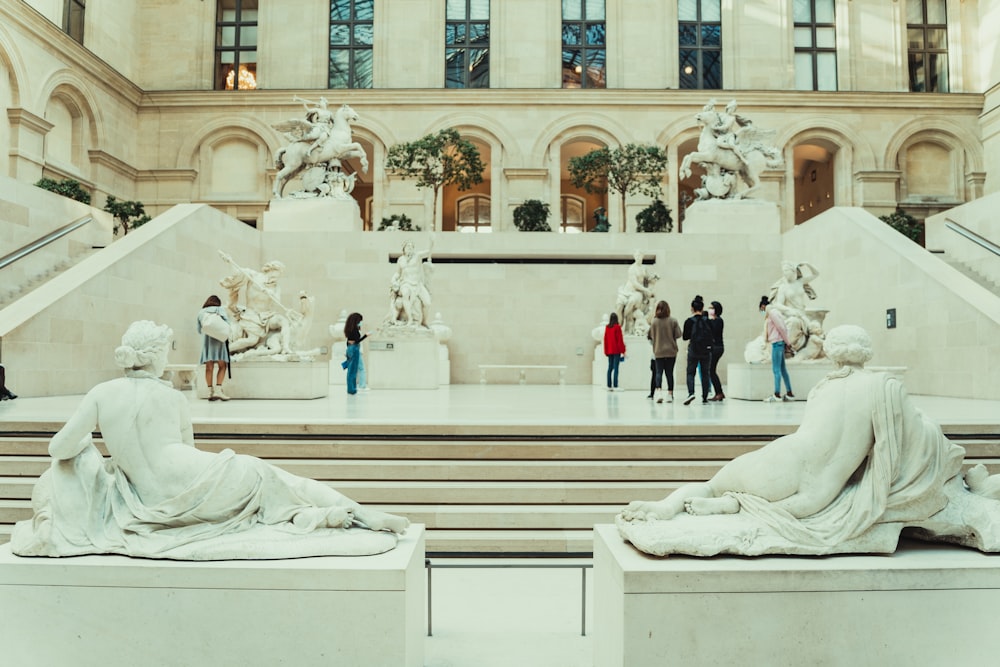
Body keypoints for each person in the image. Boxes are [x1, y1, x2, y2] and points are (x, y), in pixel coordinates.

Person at [11, 321, 408, 559]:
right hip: (202, 479)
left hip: (150, 501)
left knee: (278, 492)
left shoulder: (101, 393)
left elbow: (58, 449)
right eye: (165, 351)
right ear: (152, 357)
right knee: (284, 482)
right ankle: (356, 513)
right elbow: (189, 450)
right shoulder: (170, 397)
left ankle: (311, 515)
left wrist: (101, 459)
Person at [620, 325, 965, 552]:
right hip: (816, 485)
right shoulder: (885, 387)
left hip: (779, 458)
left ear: (831, 352)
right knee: (794, 506)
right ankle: (740, 507)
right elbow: (908, 445)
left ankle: (670, 505)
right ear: (867, 352)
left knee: (712, 485)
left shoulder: (823, 387)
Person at [218, 252, 300, 356]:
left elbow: (277, 300)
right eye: (274, 275)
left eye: (277, 277)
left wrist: (271, 293)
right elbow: (238, 274)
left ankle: (285, 348)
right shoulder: (253, 276)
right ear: (270, 270)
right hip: (252, 315)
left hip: (267, 316)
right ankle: (224, 351)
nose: (275, 278)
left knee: (283, 321)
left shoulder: (275, 286)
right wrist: (230, 262)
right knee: (252, 340)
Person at [389, 236, 434, 327]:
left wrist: (431, 242)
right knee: (405, 294)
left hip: (417, 284)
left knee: (427, 303)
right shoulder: (401, 260)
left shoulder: (417, 256)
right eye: (408, 246)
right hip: (406, 283)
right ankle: (410, 319)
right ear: (404, 248)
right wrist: (393, 280)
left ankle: (424, 321)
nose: (410, 247)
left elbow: (428, 252)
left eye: (411, 246)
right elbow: (398, 273)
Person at [197, 295, 231, 401]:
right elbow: (228, 324)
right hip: (219, 341)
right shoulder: (220, 309)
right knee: (222, 366)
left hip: (208, 342)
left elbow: (199, 329)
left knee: (209, 367)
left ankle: (209, 392)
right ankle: (218, 390)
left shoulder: (201, 312)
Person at [648, 300, 682, 404]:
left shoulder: (654, 322)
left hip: (658, 350)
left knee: (658, 372)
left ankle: (658, 393)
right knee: (669, 373)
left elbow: (650, 335)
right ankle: (670, 394)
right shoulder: (673, 321)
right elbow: (679, 334)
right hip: (671, 351)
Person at [762, 297, 794, 402]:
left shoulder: (772, 313)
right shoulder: (775, 312)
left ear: (763, 306)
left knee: (776, 370)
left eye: (761, 310)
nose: (762, 312)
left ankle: (777, 394)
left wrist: (788, 342)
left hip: (777, 343)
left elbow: (781, 327)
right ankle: (789, 393)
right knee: (783, 369)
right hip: (779, 342)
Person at [681, 296, 712, 405]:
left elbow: (684, 337)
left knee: (690, 372)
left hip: (693, 349)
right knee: (705, 373)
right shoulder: (708, 321)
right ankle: (705, 396)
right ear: (702, 308)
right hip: (706, 351)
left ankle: (691, 393)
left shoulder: (689, 321)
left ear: (692, 308)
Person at [342, 312, 367, 395]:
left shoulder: (349, 329)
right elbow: (356, 341)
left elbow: (348, 341)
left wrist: (348, 350)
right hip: (354, 349)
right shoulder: (355, 330)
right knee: (353, 370)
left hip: (350, 348)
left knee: (351, 370)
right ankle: (352, 389)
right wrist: (366, 335)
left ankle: (352, 389)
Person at [707, 300, 725, 401]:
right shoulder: (714, 320)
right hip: (716, 347)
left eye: (711, 308)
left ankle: (719, 392)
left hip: (717, 348)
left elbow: (713, 331)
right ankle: (719, 392)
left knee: (711, 370)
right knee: (711, 370)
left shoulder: (718, 320)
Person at [603, 312, 626, 392]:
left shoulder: (607, 328)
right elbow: (620, 340)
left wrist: (606, 351)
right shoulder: (617, 327)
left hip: (609, 351)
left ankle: (609, 385)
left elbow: (605, 340)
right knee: (616, 368)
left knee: (610, 368)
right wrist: (623, 350)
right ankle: (615, 385)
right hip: (616, 351)